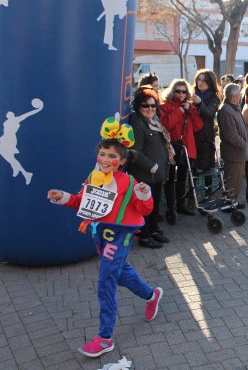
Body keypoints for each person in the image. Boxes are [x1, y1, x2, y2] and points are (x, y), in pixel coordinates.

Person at [47, 118, 163, 357]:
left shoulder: (128, 181)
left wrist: (143, 195)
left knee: (106, 280)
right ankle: (152, 295)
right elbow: (82, 202)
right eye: (102, 154)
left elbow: (145, 210)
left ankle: (105, 337)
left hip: (120, 235)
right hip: (100, 234)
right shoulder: (93, 177)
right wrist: (63, 197)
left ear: (121, 161)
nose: (105, 160)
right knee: (121, 273)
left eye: (112, 156)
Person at [128, 86, 172, 248]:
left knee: (154, 206)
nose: (150, 109)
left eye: (153, 105)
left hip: (157, 174)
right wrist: (152, 166)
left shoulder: (154, 121)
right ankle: (145, 237)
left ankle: (154, 231)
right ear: (139, 107)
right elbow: (134, 152)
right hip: (146, 174)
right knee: (145, 208)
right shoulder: (138, 124)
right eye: (146, 105)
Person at [160, 78, 203, 221]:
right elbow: (166, 125)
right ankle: (171, 208)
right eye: (178, 91)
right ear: (173, 91)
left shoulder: (189, 107)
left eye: (184, 91)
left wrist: (192, 111)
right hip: (172, 148)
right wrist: (178, 111)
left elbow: (198, 126)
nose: (181, 94)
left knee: (182, 177)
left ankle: (180, 205)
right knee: (170, 178)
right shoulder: (165, 106)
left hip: (186, 148)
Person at [217, 83, 248, 206]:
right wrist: (243, 144)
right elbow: (231, 135)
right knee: (232, 180)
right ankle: (229, 204)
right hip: (234, 152)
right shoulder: (226, 110)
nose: (241, 95)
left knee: (237, 180)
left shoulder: (233, 108)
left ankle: (233, 202)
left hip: (238, 151)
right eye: (240, 93)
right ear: (233, 96)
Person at [191, 69, 221, 186]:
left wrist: (199, 103)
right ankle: (191, 198)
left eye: (205, 80)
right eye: (199, 79)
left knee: (207, 169)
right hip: (191, 137)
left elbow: (208, 114)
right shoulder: (190, 94)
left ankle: (208, 194)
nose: (201, 82)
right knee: (192, 170)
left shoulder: (214, 98)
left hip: (205, 139)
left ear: (210, 82)